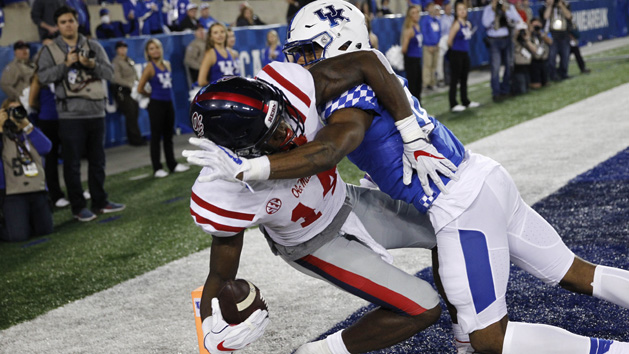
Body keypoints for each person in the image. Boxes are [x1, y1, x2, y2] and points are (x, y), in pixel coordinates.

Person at [189, 1, 629, 353]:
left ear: (336, 44)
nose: (303, 63)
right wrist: (410, 131)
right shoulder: (348, 74)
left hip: (459, 208)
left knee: (491, 342)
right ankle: (461, 339)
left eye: (310, 51)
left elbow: (329, 149)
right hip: (485, 176)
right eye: (299, 54)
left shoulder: (349, 101)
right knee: (577, 273)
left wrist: (257, 167)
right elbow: (367, 61)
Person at [184, 56, 443, 354]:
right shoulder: (226, 188)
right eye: (273, 135)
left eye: (281, 116)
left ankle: (468, 325)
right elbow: (220, 274)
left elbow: (365, 63)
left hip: (345, 199)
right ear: (239, 151)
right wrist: (209, 334)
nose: (286, 129)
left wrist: (410, 132)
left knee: (446, 228)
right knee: (423, 307)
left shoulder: (292, 87)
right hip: (313, 245)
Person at [36, 6, 125, 222]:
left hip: (96, 111)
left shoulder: (93, 45)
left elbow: (110, 73)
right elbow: (42, 77)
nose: (68, 25)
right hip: (70, 115)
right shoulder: (49, 51)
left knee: (98, 160)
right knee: (72, 163)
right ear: (57, 26)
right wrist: (65, 66)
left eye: (71, 21)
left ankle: (100, 201)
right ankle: (78, 206)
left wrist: (91, 64)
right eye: (63, 22)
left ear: (78, 23)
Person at [0, 98, 53, 242]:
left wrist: (27, 125)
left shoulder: (30, 132)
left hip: (37, 189)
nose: (16, 114)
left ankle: (24, 221)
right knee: (18, 236)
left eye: (19, 110)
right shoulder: (3, 137)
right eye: (11, 111)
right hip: (14, 194)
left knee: (45, 230)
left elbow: (46, 148)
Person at [137, 38, 189, 178]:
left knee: (168, 135)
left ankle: (172, 164)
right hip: (156, 104)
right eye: (151, 48)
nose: (155, 50)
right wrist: (151, 95)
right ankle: (157, 168)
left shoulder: (167, 64)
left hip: (168, 103)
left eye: (157, 47)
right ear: (147, 52)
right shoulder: (149, 67)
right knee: (155, 137)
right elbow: (140, 88)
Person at [29, 38, 67, 209]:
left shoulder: (64, 70)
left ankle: (75, 190)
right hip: (49, 120)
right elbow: (32, 101)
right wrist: (46, 108)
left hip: (67, 118)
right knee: (51, 159)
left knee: (71, 156)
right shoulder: (39, 76)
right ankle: (56, 194)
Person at [482, 0, 524, 102]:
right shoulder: (488, 9)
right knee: (495, 67)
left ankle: (505, 89)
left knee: (509, 65)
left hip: (507, 38)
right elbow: (485, 23)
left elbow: (517, 19)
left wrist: (506, 11)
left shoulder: (508, 7)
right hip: (494, 40)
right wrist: (493, 10)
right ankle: (496, 93)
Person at [447, 1, 479, 112]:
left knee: (464, 78)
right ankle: (453, 103)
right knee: (455, 79)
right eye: (460, 9)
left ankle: (465, 100)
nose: (462, 11)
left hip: (465, 54)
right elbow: (449, 41)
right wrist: (455, 52)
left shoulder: (467, 24)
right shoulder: (456, 24)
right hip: (456, 54)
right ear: (456, 11)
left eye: (464, 9)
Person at [111, 40, 144, 147]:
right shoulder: (116, 62)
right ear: (117, 50)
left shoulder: (128, 60)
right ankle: (135, 139)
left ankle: (135, 137)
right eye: (120, 48)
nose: (123, 49)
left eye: (124, 47)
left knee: (135, 113)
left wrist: (137, 84)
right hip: (123, 91)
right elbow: (116, 78)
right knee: (130, 114)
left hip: (132, 91)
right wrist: (130, 84)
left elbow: (135, 74)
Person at [197, 22, 240, 87]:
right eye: (215, 33)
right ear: (211, 37)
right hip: (218, 94)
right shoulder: (211, 53)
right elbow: (201, 81)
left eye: (222, 32)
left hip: (231, 92)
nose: (219, 35)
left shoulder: (230, 52)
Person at [540, 0, 572, 81]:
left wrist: (561, 5)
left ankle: (563, 73)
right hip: (553, 33)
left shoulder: (565, 4)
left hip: (564, 33)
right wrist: (550, 5)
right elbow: (545, 16)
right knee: (552, 56)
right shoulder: (546, 6)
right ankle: (553, 75)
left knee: (565, 56)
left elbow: (569, 16)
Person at [400, 5, 423, 103]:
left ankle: (419, 107)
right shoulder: (409, 30)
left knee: (419, 85)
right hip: (411, 60)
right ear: (409, 16)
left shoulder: (417, 26)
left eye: (417, 12)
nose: (416, 15)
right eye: (413, 13)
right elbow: (404, 49)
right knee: (413, 87)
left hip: (417, 59)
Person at [511, 22, 536, 95]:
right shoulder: (514, 41)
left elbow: (534, 50)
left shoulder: (527, 40)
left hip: (527, 67)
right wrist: (515, 34)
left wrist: (527, 39)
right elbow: (512, 44)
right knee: (522, 90)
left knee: (527, 88)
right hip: (517, 68)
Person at [420, 2, 441, 91]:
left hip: (435, 46)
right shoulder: (425, 20)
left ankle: (432, 82)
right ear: (427, 9)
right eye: (430, 7)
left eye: (433, 6)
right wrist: (428, 44)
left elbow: (439, 32)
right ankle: (426, 83)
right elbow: (424, 33)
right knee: (427, 65)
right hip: (428, 46)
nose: (432, 8)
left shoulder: (436, 20)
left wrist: (437, 43)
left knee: (434, 65)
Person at [528, 16, 552, 89]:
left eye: (538, 24)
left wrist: (540, 34)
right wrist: (531, 32)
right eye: (534, 25)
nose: (536, 27)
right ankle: (528, 83)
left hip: (544, 59)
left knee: (546, 83)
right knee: (537, 85)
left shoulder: (544, 32)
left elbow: (550, 41)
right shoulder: (529, 34)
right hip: (534, 61)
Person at [437, 1, 453, 87]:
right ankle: (447, 79)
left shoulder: (452, 18)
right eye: (447, 8)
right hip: (445, 43)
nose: (449, 10)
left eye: (450, 8)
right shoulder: (442, 19)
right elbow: (442, 31)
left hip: (453, 42)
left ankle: (453, 78)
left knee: (452, 61)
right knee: (446, 62)